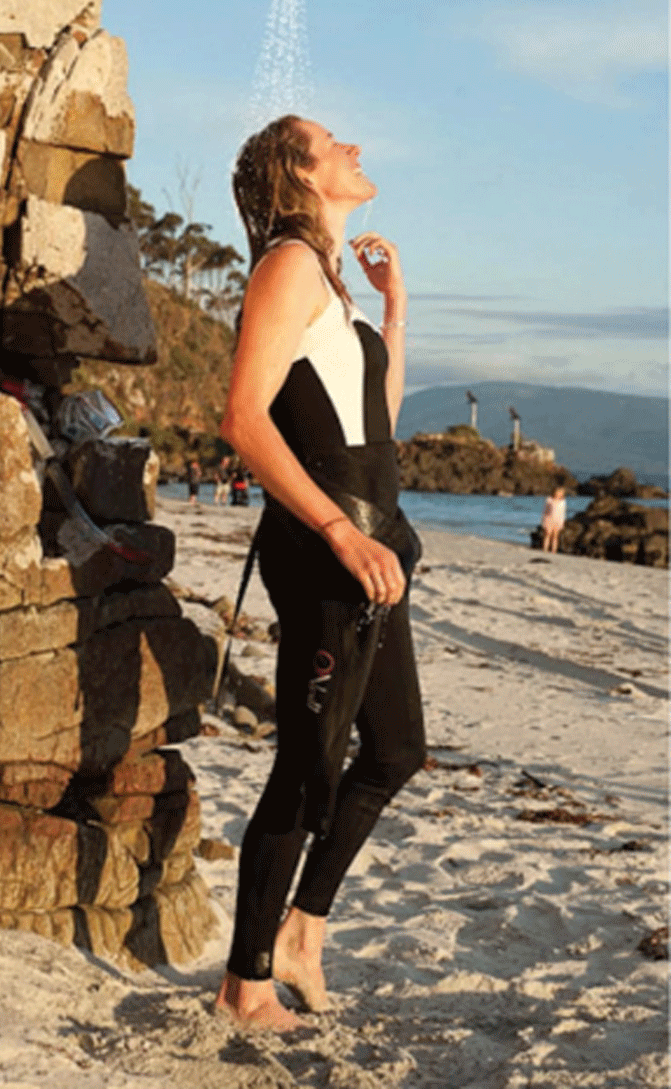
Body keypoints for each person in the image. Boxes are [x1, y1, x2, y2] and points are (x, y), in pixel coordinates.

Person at [214, 115, 427, 1032]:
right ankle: (244, 987)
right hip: (329, 554)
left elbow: (375, 422)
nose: (356, 149)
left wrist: (394, 311)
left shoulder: (328, 281)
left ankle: (303, 930)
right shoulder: (288, 266)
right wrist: (340, 533)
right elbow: (243, 419)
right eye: (334, 141)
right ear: (300, 174)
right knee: (307, 767)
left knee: (395, 751)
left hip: (375, 549)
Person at [540, 485, 566, 552]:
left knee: (555, 536)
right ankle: (545, 549)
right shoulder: (549, 499)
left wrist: (562, 522)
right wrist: (543, 519)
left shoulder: (563, 502)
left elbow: (563, 512)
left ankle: (553, 550)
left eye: (560, 493)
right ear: (554, 492)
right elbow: (545, 510)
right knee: (547, 534)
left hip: (558, 520)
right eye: (558, 492)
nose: (559, 494)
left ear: (562, 494)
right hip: (548, 519)